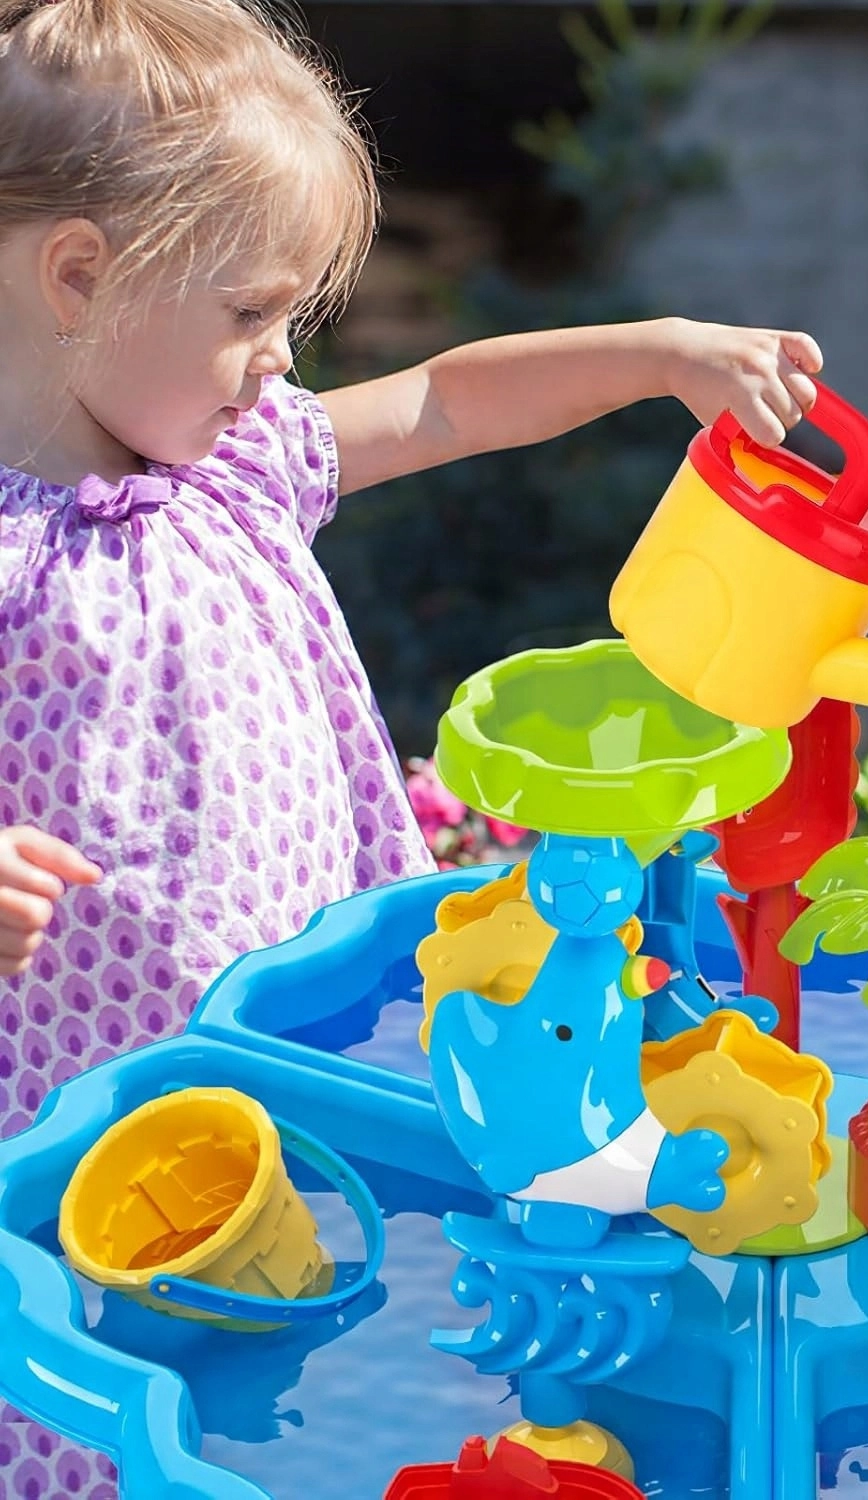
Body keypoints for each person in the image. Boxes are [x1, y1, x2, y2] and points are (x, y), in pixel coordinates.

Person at [0, 1, 820, 1492]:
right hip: (99, 1106)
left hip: (312, 1049)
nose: (278, 361)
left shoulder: (241, 468)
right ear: (79, 276)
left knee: (328, 1374)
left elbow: (448, 400)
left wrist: (660, 355)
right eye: (252, 313)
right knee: (126, 1405)